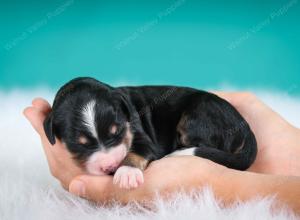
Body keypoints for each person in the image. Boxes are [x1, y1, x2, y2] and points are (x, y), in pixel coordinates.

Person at [23, 92, 300, 214]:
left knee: (191, 119)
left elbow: (143, 145)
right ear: (52, 130)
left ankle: (197, 148)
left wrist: (132, 163)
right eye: (84, 144)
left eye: (115, 136)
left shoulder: (125, 109)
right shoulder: (116, 111)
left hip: (203, 112)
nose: (108, 159)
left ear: (122, 112)